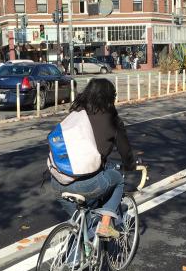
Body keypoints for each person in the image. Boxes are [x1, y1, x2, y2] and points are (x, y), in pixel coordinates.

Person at [49, 79, 136, 239]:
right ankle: (104, 225)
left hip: (58, 181)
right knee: (117, 181)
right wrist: (131, 166)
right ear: (110, 97)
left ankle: (73, 259)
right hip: (87, 184)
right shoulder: (112, 119)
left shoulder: (76, 112)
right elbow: (125, 152)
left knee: (82, 226)